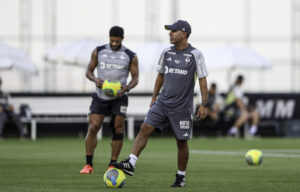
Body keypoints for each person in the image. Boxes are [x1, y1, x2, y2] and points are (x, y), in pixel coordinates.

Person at [112, 20, 209, 187]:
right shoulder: (166, 53)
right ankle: (131, 163)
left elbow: (202, 80)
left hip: (182, 106)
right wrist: (154, 96)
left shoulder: (196, 54)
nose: (170, 33)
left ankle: (181, 177)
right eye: (169, 31)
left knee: (181, 142)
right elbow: (160, 76)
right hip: (162, 102)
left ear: (184, 34)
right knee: (145, 128)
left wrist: (204, 104)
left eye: (173, 31)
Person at [80, 26, 139, 174]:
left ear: (122, 39)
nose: (114, 43)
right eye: (112, 40)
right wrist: (94, 79)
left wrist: (127, 87)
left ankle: (113, 164)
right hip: (100, 97)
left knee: (118, 128)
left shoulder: (130, 55)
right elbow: (88, 71)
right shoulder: (98, 51)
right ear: (109, 38)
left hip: (120, 98)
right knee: (93, 127)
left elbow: (135, 78)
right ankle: (88, 164)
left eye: (117, 41)